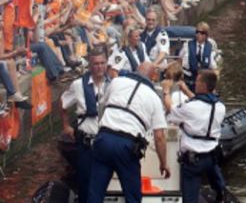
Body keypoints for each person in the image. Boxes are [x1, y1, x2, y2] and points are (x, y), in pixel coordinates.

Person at [87, 62, 170, 203]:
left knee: (95, 192)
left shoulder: (116, 82)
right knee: (132, 196)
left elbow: (102, 106)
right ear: (153, 77)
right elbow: (159, 137)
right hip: (126, 146)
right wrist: (163, 163)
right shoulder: (154, 98)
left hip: (104, 139)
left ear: (136, 70)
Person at [166, 70, 226, 203]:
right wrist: (186, 90)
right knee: (217, 184)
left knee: (190, 197)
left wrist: (165, 91)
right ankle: (221, 193)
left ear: (203, 85)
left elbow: (171, 108)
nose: (195, 83)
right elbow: (202, 103)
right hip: (211, 157)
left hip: (193, 160)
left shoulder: (190, 107)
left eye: (198, 81)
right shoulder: (220, 107)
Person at [60, 48, 111, 203]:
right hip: (86, 143)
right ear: (90, 65)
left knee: (104, 184)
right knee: (85, 183)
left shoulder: (113, 85)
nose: (99, 67)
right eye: (96, 64)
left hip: (106, 143)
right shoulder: (78, 85)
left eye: (102, 63)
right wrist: (66, 126)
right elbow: (63, 103)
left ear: (107, 64)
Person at [179, 22, 218, 91]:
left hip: (204, 80)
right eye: (197, 32)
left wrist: (214, 85)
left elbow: (215, 68)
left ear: (206, 35)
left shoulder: (210, 47)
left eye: (202, 33)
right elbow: (179, 60)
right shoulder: (187, 45)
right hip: (188, 78)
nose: (199, 34)